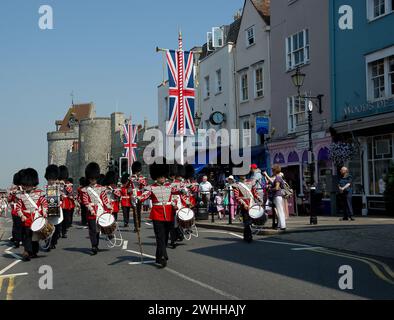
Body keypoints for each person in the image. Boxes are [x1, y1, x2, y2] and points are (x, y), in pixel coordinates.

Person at [138, 159, 177, 268]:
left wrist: (183, 191)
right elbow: (143, 197)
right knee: (159, 236)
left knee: (164, 238)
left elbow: (177, 192)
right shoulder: (151, 188)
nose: (162, 178)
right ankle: (164, 255)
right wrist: (136, 198)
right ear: (156, 177)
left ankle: (158, 257)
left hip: (168, 213)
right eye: (160, 177)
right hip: (157, 214)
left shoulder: (170, 186)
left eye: (163, 176)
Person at [16, 168, 48, 262]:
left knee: (35, 237)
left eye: (29, 184)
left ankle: (34, 251)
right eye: (26, 184)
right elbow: (18, 208)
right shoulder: (21, 196)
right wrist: (21, 215)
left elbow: (44, 203)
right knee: (27, 236)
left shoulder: (39, 194)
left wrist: (45, 212)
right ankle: (27, 251)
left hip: (36, 217)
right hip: (27, 219)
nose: (28, 186)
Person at [82, 162, 112, 255]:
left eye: (94, 178)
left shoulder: (101, 188)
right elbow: (85, 201)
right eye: (91, 178)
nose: (93, 180)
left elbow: (104, 199)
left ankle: (96, 244)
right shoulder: (85, 189)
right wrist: (90, 208)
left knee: (98, 229)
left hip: (100, 210)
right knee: (92, 229)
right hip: (92, 211)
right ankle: (93, 245)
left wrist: (109, 206)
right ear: (89, 178)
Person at [233, 174, 263, 243]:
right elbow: (237, 197)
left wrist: (259, 198)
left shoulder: (250, 182)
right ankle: (249, 236)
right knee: (247, 220)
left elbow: (254, 192)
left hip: (251, 203)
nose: (243, 175)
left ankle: (246, 235)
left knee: (250, 220)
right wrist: (243, 204)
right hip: (244, 204)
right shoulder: (236, 185)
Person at [44, 165, 62, 250]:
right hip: (48, 210)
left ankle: (53, 242)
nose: (50, 181)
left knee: (57, 229)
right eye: (49, 179)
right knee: (48, 228)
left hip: (57, 210)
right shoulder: (46, 188)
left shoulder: (59, 187)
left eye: (52, 179)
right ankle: (48, 242)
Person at [265, 165, 287, 231]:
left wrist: (270, 189)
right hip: (278, 196)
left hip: (277, 196)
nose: (272, 171)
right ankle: (279, 225)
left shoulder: (277, 178)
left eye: (272, 170)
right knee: (280, 211)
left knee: (280, 211)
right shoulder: (279, 177)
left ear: (275, 171)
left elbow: (277, 188)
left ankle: (283, 226)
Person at [8, 171, 24, 248]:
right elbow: (9, 200)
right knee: (17, 226)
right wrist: (11, 194)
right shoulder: (14, 190)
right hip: (15, 211)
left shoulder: (24, 189)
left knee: (24, 226)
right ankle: (17, 240)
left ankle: (23, 239)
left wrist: (21, 191)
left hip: (24, 211)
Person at [130, 161, 147, 232]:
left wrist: (139, 180)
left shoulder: (142, 177)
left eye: (138, 171)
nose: (138, 173)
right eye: (137, 171)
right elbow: (126, 186)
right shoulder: (131, 177)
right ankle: (135, 226)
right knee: (134, 212)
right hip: (133, 195)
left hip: (139, 195)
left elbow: (145, 185)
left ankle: (139, 225)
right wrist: (129, 180)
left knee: (138, 211)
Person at [59, 166, 73, 238]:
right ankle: (59, 231)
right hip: (58, 202)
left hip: (66, 202)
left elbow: (70, 192)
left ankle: (64, 231)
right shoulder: (57, 183)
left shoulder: (68, 183)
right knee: (59, 218)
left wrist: (65, 185)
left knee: (66, 218)